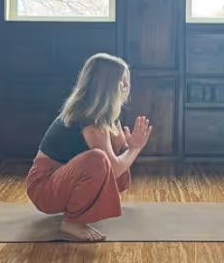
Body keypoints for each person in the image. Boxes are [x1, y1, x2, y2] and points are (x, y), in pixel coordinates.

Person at [26, 53, 153, 241]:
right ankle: (72, 222)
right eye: (122, 82)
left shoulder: (107, 115)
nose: (127, 87)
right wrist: (135, 148)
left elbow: (119, 167)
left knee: (120, 174)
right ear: (106, 86)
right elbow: (114, 167)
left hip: (62, 179)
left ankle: (79, 209)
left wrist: (126, 146)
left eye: (128, 81)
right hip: (44, 188)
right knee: (98, 159)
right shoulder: (88, 118)